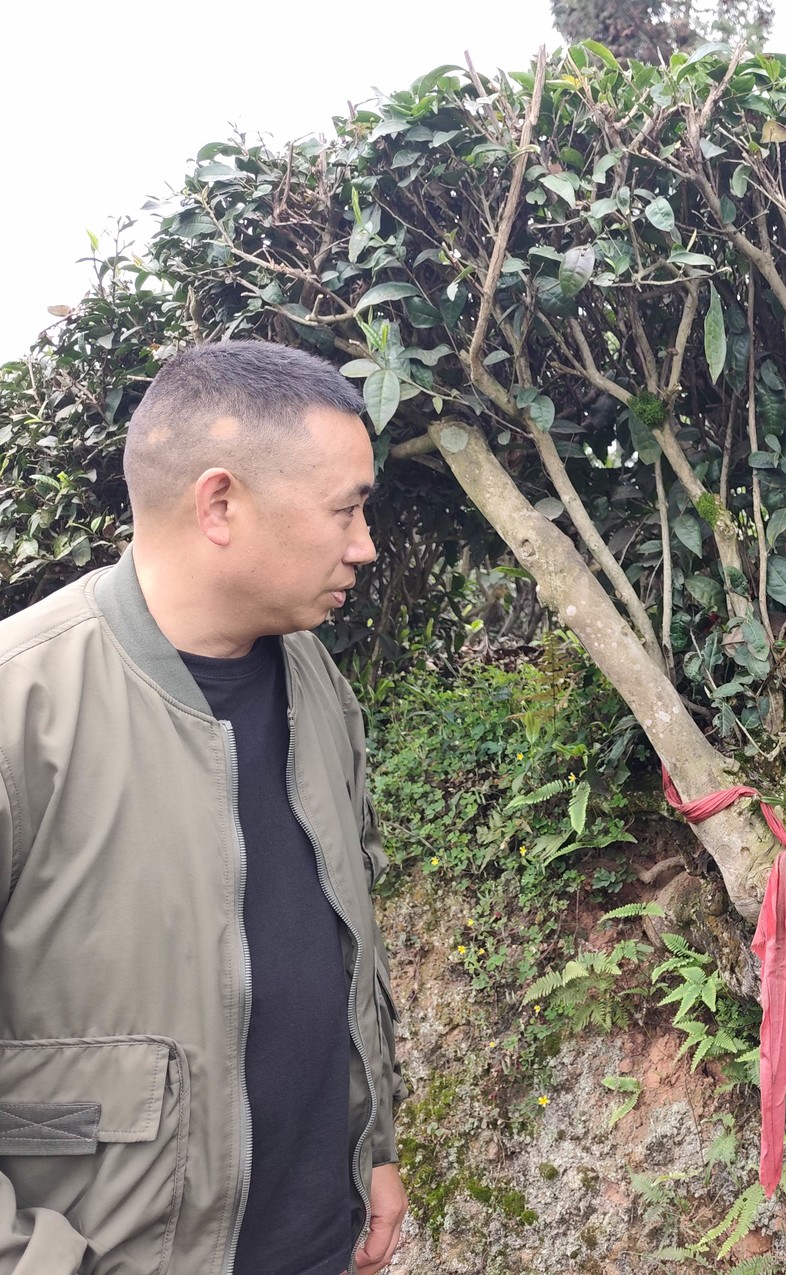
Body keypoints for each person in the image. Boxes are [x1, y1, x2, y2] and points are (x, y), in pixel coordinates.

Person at [0, 341, 408, 1274]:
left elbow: (343, 934)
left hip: (319, 1242)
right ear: (220, 503)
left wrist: (373, 1141)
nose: (364, 543)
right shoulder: (22, 709)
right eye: (345, 508)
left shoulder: (313, 677)